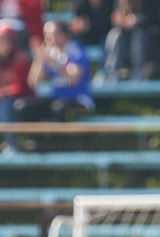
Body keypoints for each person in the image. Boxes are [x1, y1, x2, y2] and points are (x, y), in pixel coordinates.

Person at [17, 21, 94, 123]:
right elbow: (33, 82)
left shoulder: (75, 50)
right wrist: (39, 58)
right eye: (46, 35)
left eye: (51, 34)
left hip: (79, 100)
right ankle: (37, 139)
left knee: (59, 108)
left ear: (63, 35)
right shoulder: (51, 52)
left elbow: (74, 78)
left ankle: (62, 139)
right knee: (23, 106)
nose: (48, 38)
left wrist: (53, 63)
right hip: (57, 100)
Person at [0, 23, 31, 152]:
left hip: (23, 100)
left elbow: (19, 88)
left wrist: (2, 93)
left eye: (4, 41)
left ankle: (12, 146)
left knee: (5, 105)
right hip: (5, 98)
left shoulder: (21, 59)